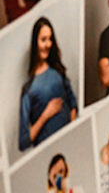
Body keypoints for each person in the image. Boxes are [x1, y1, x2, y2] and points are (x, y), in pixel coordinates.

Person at [19, 17, 78, 150]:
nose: (48, 44)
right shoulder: (28, 88)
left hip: (70, 145)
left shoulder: (58, 71)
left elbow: (73, 102)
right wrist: (46, 115)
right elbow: (23, 142)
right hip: (49, 152)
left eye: (50, 39)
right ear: (35, 42)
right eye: (43, 39)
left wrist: (72, 131)